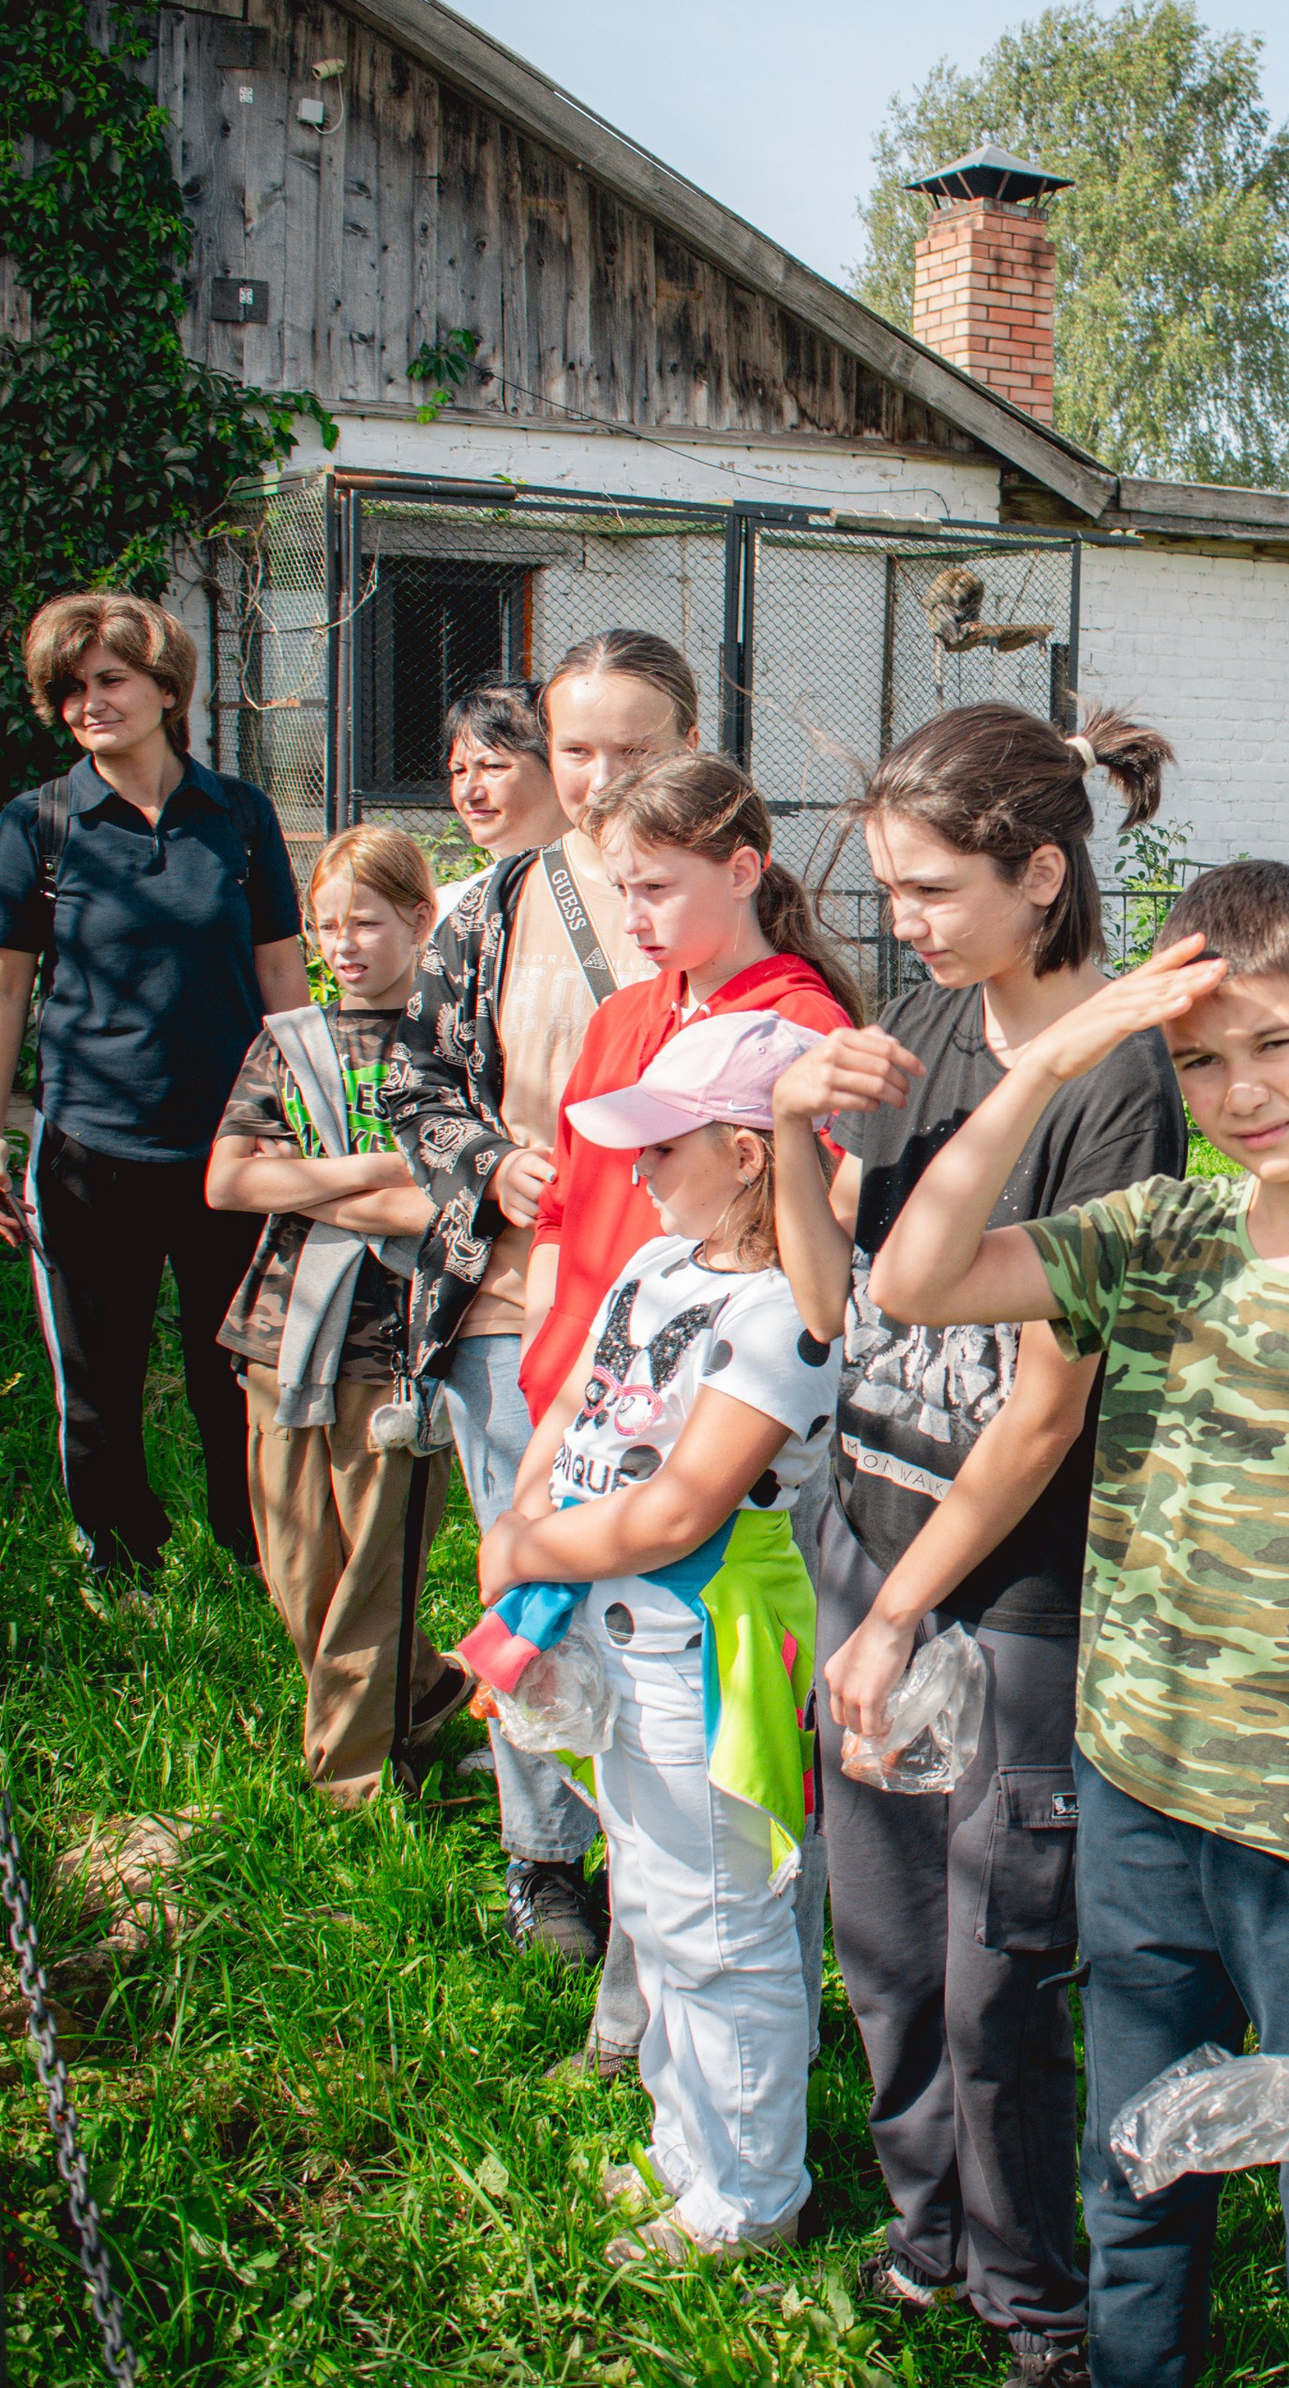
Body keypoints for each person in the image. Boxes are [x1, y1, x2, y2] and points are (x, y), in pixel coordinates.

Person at [866, 860, 1289, 2388]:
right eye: (1200, 1062)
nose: (1242, 1094)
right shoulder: (1156, 1233)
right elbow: (913, 1278)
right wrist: (1051, 1055)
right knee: (1136, 2190)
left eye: (1276, 1044)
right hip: (1141, 1805)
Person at [766, 702, 1188, 2386]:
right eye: (890, 889)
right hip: (868, 1536)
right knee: (883, 1949)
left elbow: (1046, 1413)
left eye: (934, 888)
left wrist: (905, 1615)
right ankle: (929, 2233)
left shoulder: (1118, 1083)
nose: (906, 923)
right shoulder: (927, 1022)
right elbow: (831, 1303)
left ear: (1042, 874)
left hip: (1010, 1597)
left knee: (997, 1969)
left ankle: (1040, 2307)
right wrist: (787, 1127)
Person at [472, 1010, 844, 2267]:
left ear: (747, 1153)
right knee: (655, 1894)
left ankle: (749, 2198)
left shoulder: (783, 1308)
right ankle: (688, 2148)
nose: (637, 1172)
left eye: (664, 1147)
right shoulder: (655, 1263)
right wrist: (522, 1513)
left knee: (722, 1926)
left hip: (702, 1650)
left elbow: (686, 1505)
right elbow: (578, 1404)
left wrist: (530, 1548)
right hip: (608, 1626)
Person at [386, 629, 695, 1981]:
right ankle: (545, 1856)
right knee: (532, 1567)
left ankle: (664, 1852)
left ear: (692, 746)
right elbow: (415, 1084)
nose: (605, 775)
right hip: (525, 1294)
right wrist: (487, 1160)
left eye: (638, 748)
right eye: (578, 749)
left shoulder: (738, 895)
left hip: (694, 1304)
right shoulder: (492, 909)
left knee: (670, 1581)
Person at [0, 591, 308, 1584]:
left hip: (232, 1149)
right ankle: (116, 1559)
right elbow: (2, 986)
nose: (90, 703)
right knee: (98, 1379)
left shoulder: (239, 817)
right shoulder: (38, 823)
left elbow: (279, 967)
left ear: (166, 688)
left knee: (233, 1370)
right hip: (89, 1144)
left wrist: (302, 1105)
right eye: (70, 689)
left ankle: (254, 1553)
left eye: (110, 679)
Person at [207, 826, 468, 1801]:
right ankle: (426, 1685)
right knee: (297, 1569)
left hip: (398, 1344)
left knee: (374, 1575)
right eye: (325, 926)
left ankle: (349, 1785)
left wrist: (304, 1181)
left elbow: (443, 1202)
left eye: (365, 922)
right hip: (280, 1332)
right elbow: (227, 1183)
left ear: (419, 917)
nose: (342, 945)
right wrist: (377, 1172)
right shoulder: (288, 1043)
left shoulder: (454, 1049)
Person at [521, 749, 863, 1426]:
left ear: (741, 872)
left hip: (691, 1406)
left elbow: (817, 1245)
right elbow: (559, 1209)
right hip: (569, 1393)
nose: (631, 918)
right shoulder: (619, 1017)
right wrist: (545, 1344)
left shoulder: (803, 1030)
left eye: (655, 888)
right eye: (622, 890)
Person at [438, 682, 560, 920]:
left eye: (493, 767)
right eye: (459, 771)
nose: (467, 792)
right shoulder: (450, 911)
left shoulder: (623, 893)